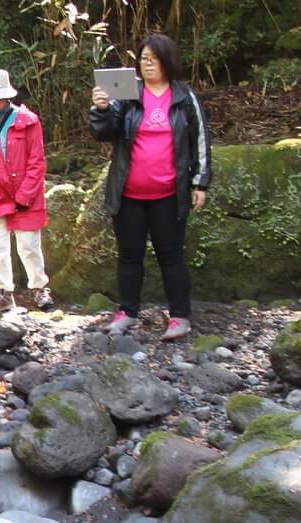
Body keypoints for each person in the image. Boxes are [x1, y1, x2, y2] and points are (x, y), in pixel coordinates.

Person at [89, 33, 213, 342]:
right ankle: (127, 313)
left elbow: (200, 141)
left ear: (167, 61)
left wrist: (200, 183)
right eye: (143, 60)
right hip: (128, 194)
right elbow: (105, 133)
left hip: (169, 195)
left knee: (171, 256)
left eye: (153, 60)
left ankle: (180, 317)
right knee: (129, 256)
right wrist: (102, 109)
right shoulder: (129, 95)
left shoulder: (185, 98)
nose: (147, 65)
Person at [0, 68, 53, 314]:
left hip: (25, 192)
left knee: (28, 245)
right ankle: (3, 292)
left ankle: (39, 287)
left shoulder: (29, 121)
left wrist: (25, 195)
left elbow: (37, 161)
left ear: (6, 96)